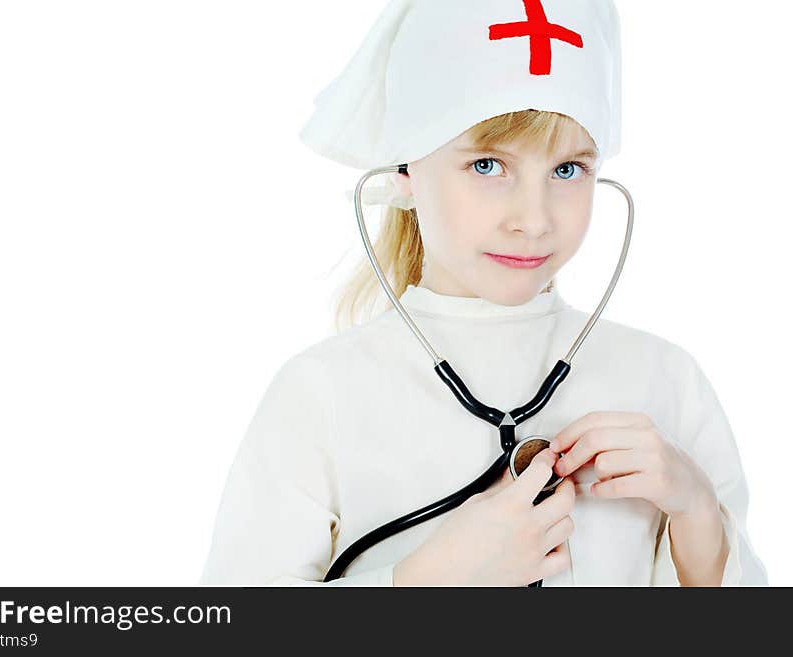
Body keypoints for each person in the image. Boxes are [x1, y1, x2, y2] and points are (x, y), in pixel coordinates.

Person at [199, 0, 768, 586]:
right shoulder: (320, 395)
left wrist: (699, 517)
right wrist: (423, 583)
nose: (533, 219)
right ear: (406, 173)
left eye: (568, 169)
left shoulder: (665, 381)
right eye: (489, 165)